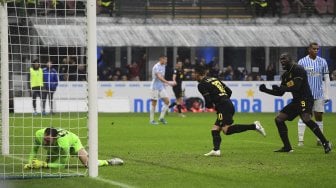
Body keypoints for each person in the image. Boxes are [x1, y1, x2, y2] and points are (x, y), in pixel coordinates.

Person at [259, 53, 332, 153]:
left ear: (290, 59)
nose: (282, 61)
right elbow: (280, 93)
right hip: (296, 101)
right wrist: (265, 90)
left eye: (284, 59)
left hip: (305, 99)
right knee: (279, 119)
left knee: (306, 119)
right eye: (281, 59)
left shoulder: (298, 69)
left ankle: (325, 142)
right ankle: (287, 147)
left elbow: (296, 86)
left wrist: (281, 87)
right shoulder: (285, 75)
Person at [193, 66, 266, 156]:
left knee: (226, 130)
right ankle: (216, 150)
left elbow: (208, 100)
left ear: (197, 74)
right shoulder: (214, 79)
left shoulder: (201, 84)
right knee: (215, 129)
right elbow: (229, 91)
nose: (193, 75)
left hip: (223, 107)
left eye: (193, 73)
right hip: (226, 105)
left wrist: (210, 106)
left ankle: (254, 126)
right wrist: (223, 100)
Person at [24, 127, 123, 169]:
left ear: (55, 138)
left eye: (48, 141)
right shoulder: (38, 134)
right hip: (55, 148)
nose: (45, 142)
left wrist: (44, 164)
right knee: (49, 164)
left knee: (88, 164)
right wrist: (29, 163)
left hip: (73, 142)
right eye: (45, 139)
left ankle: (108, 162)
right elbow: (34, 150)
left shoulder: (63, 144)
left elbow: (62, 165)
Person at [297, 42, 330, 146]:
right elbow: (298, 79)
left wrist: (327, 94)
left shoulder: (322, 62)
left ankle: (319, 140)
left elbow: (327, 78)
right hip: (305, 95)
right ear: (309, 49)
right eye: (314, 49)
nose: (316, 51)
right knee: (304, 116)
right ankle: (300, 140)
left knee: (319, 116)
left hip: (318, 94)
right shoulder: (302, 62)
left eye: (317, 49)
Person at [149, 54, 175, 125]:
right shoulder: (156, 67)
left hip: (161, 87)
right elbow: (159, 77)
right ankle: (151, 120)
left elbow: (162, 77)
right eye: (165, 59)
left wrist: (165, 84)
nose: (166, 61)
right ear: (161, 59)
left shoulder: (163, 66)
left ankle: (161, 118)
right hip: (154, 87)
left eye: (166, 59)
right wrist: (168, 82)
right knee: (154, 103)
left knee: (167, 101)